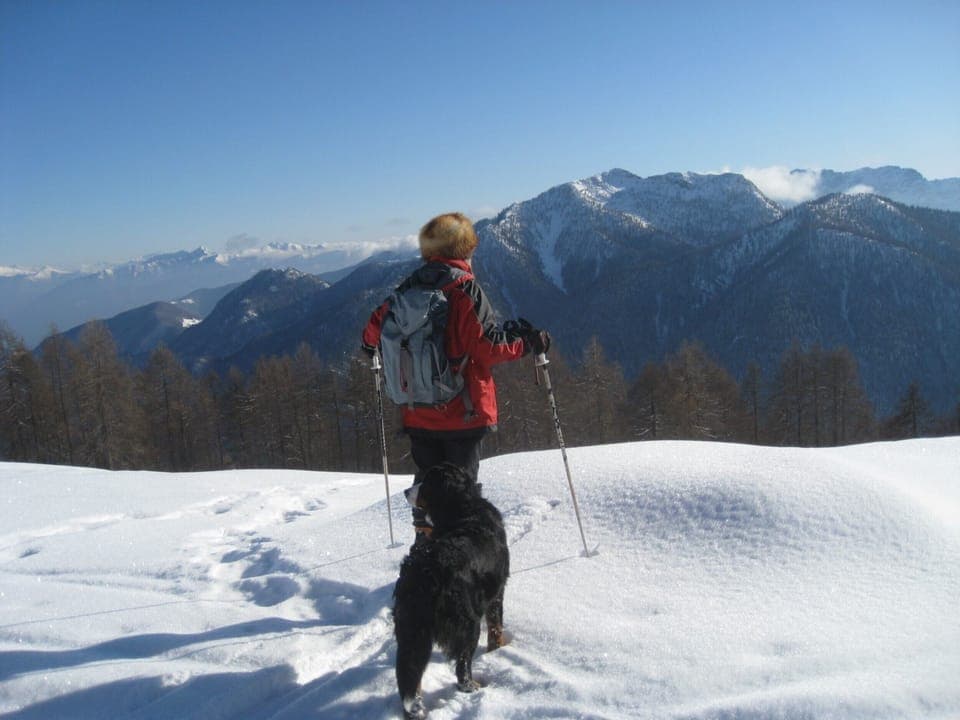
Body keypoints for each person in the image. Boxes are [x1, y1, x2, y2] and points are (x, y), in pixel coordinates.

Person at [362, 212, 550, 539]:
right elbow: (486, 348)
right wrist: (526, 342)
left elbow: (371, 334)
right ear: (463, 249)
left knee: (427, 482)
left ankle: (425, 545)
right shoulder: (464, 289)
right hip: (461, 412)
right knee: (460, 493)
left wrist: (373, 351)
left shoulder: (407, 288)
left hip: (416, 410)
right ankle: (458, 560)